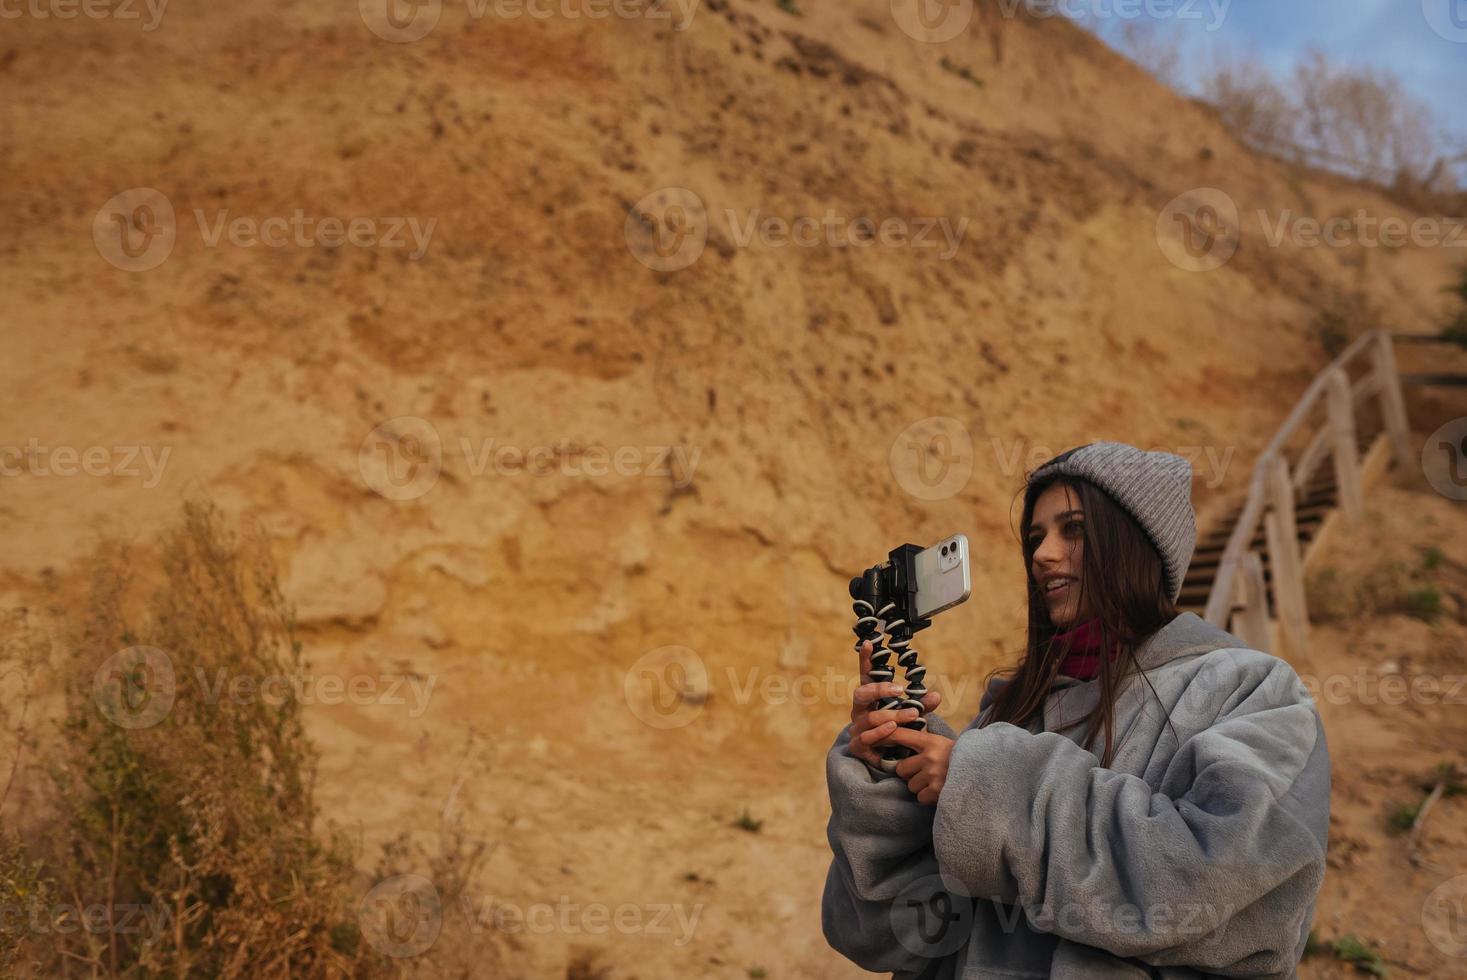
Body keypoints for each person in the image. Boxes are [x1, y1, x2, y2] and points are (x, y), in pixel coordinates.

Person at [822, 442, 1331, 979]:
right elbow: (885, 936)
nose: (1042, 555)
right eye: (1036, 537)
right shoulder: (1012, 711)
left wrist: (991, 784)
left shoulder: (1251, 691)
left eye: (1075, 530)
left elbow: (1218, 881)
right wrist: (892, 779)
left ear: (1136, 544)